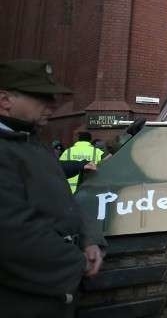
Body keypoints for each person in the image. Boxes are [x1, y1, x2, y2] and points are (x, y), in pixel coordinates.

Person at [0, 59, 105, 317]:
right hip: (25, 298)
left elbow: (66, 201)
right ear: (5, 101)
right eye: (41, 97)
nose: (53, 105)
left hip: (56, 293)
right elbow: (11, 231)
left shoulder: (32, 143)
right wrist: (76, 262)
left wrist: (90, 239)